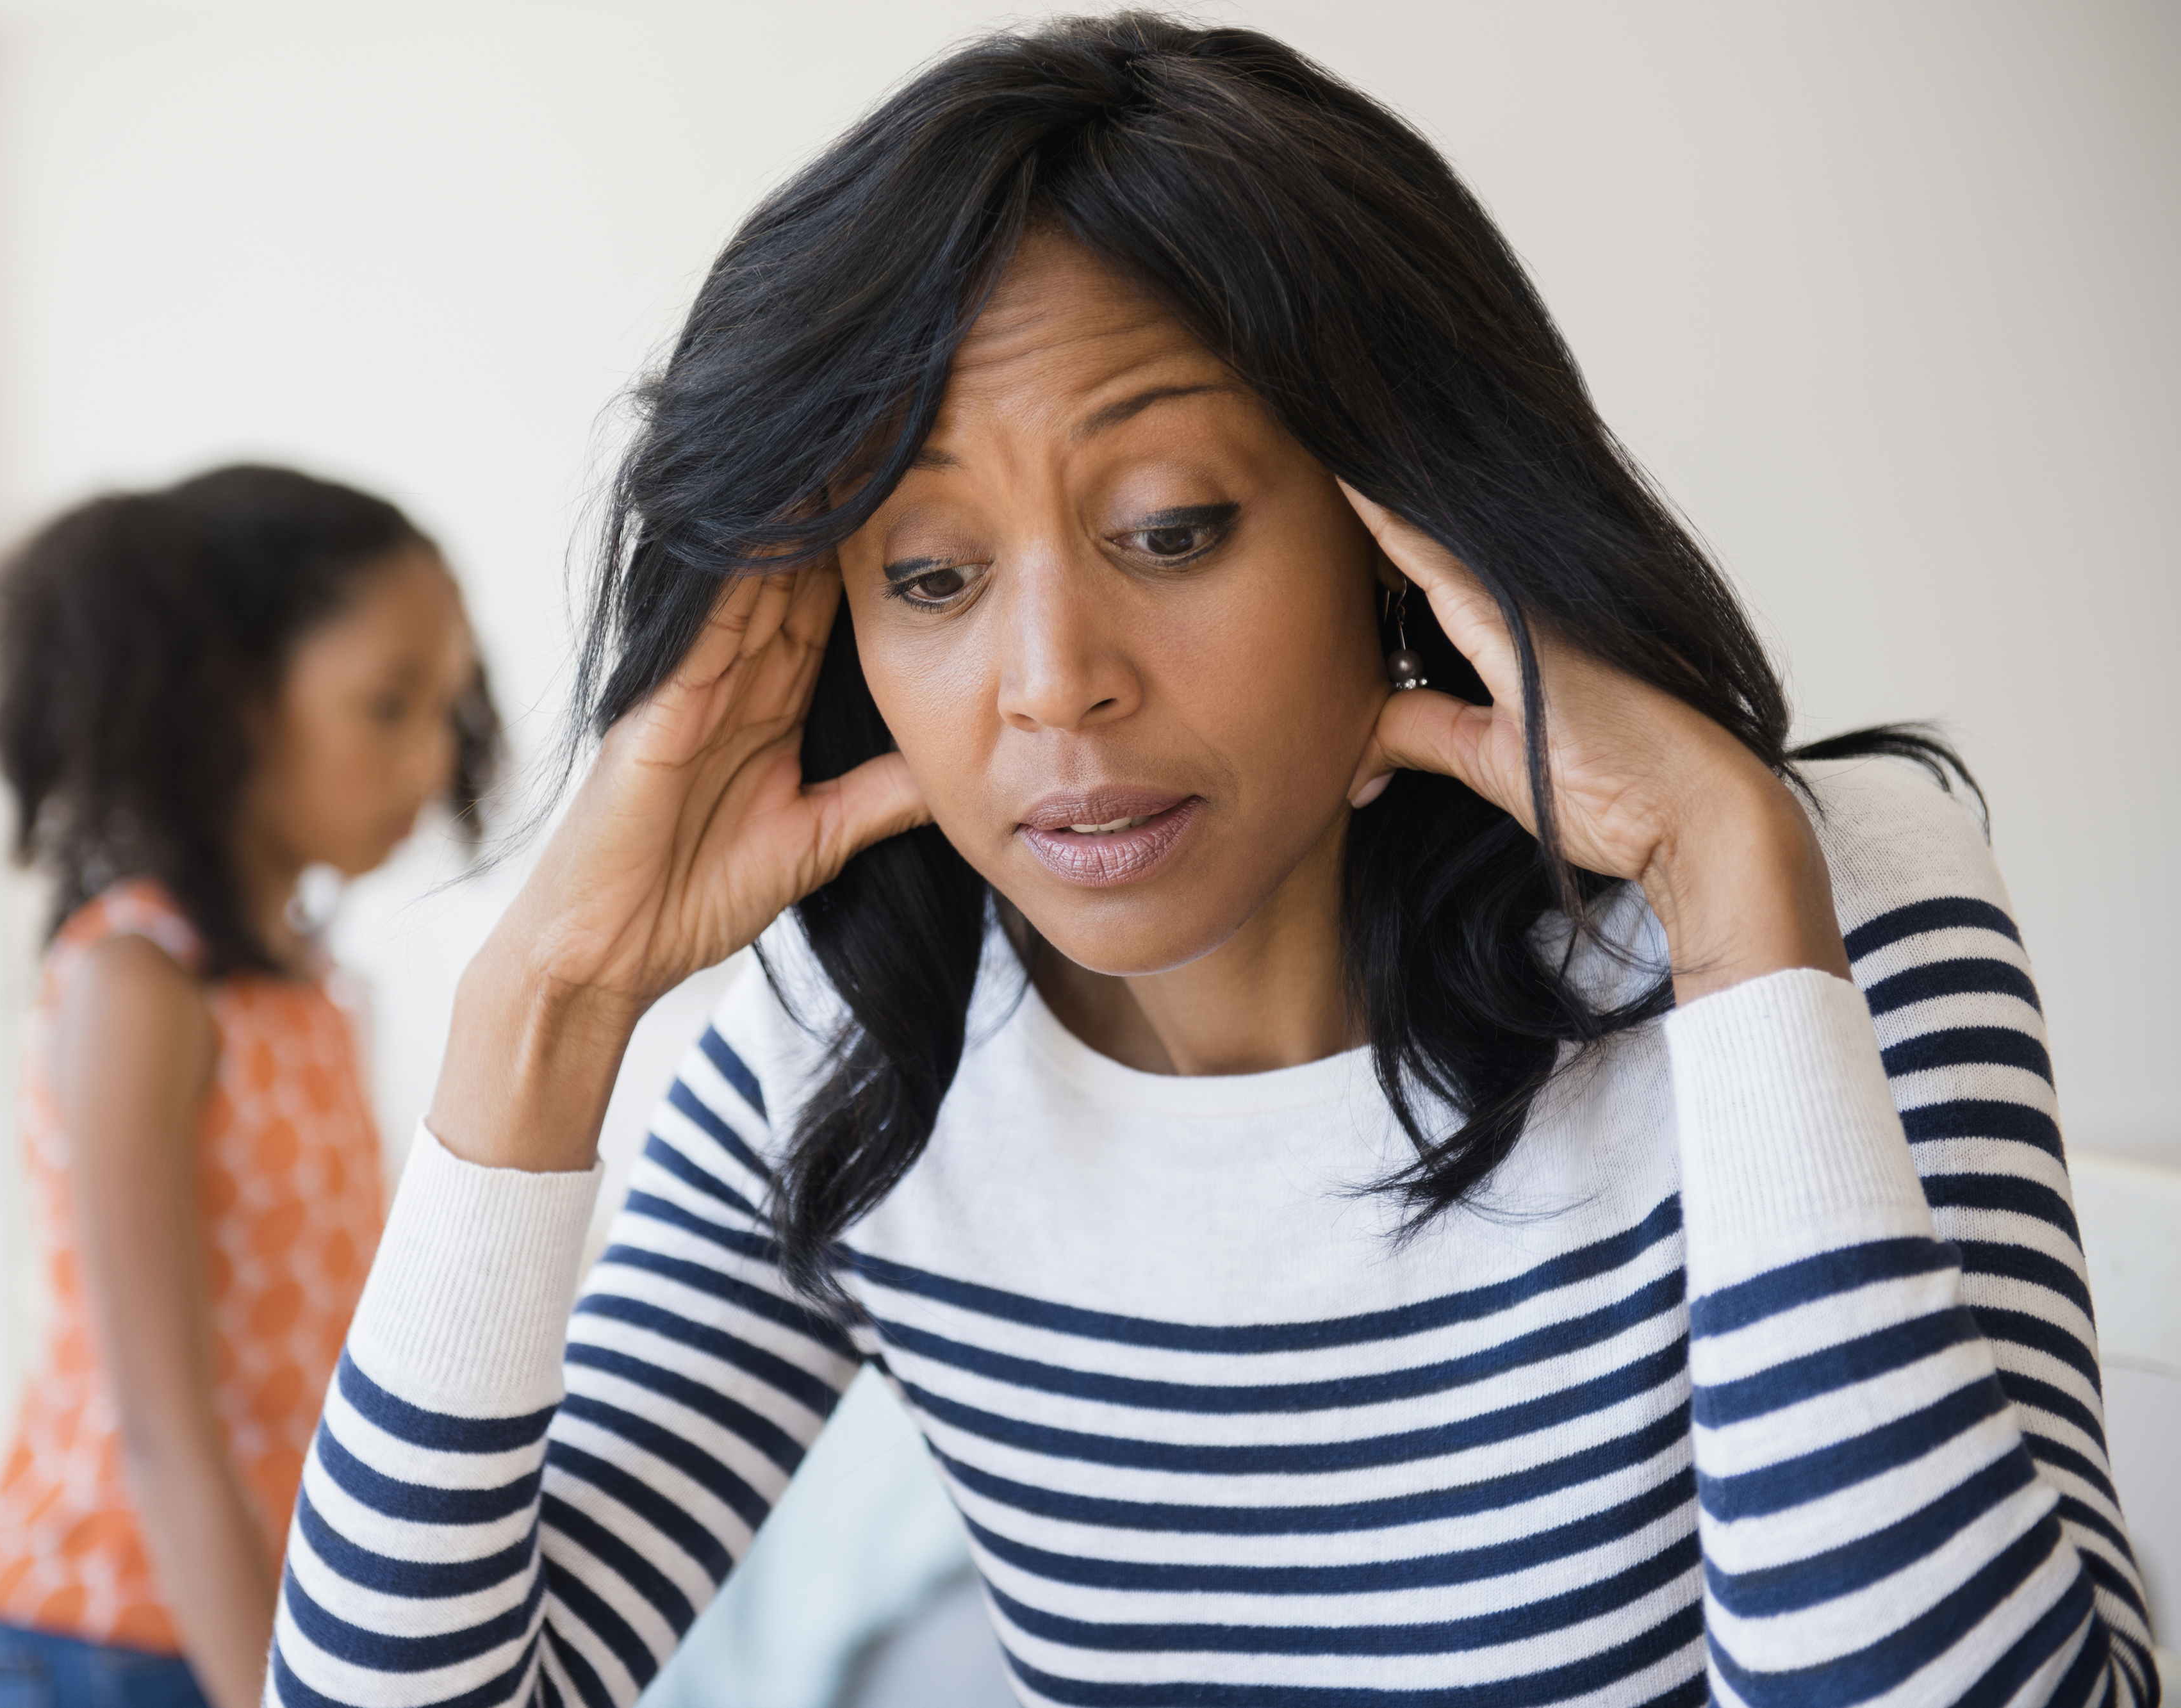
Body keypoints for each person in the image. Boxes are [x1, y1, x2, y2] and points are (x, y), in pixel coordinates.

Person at [270, 17, 2155, 1708]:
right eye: (928, 578)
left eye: (1173, 531)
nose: (1053, 686)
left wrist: (1737, 901)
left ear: (1401, 527)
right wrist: (551, 998)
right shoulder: (848, 1050)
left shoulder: (1823, 899)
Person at [0, 465, 498, 1708]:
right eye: (388, 703)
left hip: (263, 1609)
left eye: (445, 709)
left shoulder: (304, 987)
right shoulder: (136, 990)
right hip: (115, 1637)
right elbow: (160, 1426)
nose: (428, 756)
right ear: (232, 702)